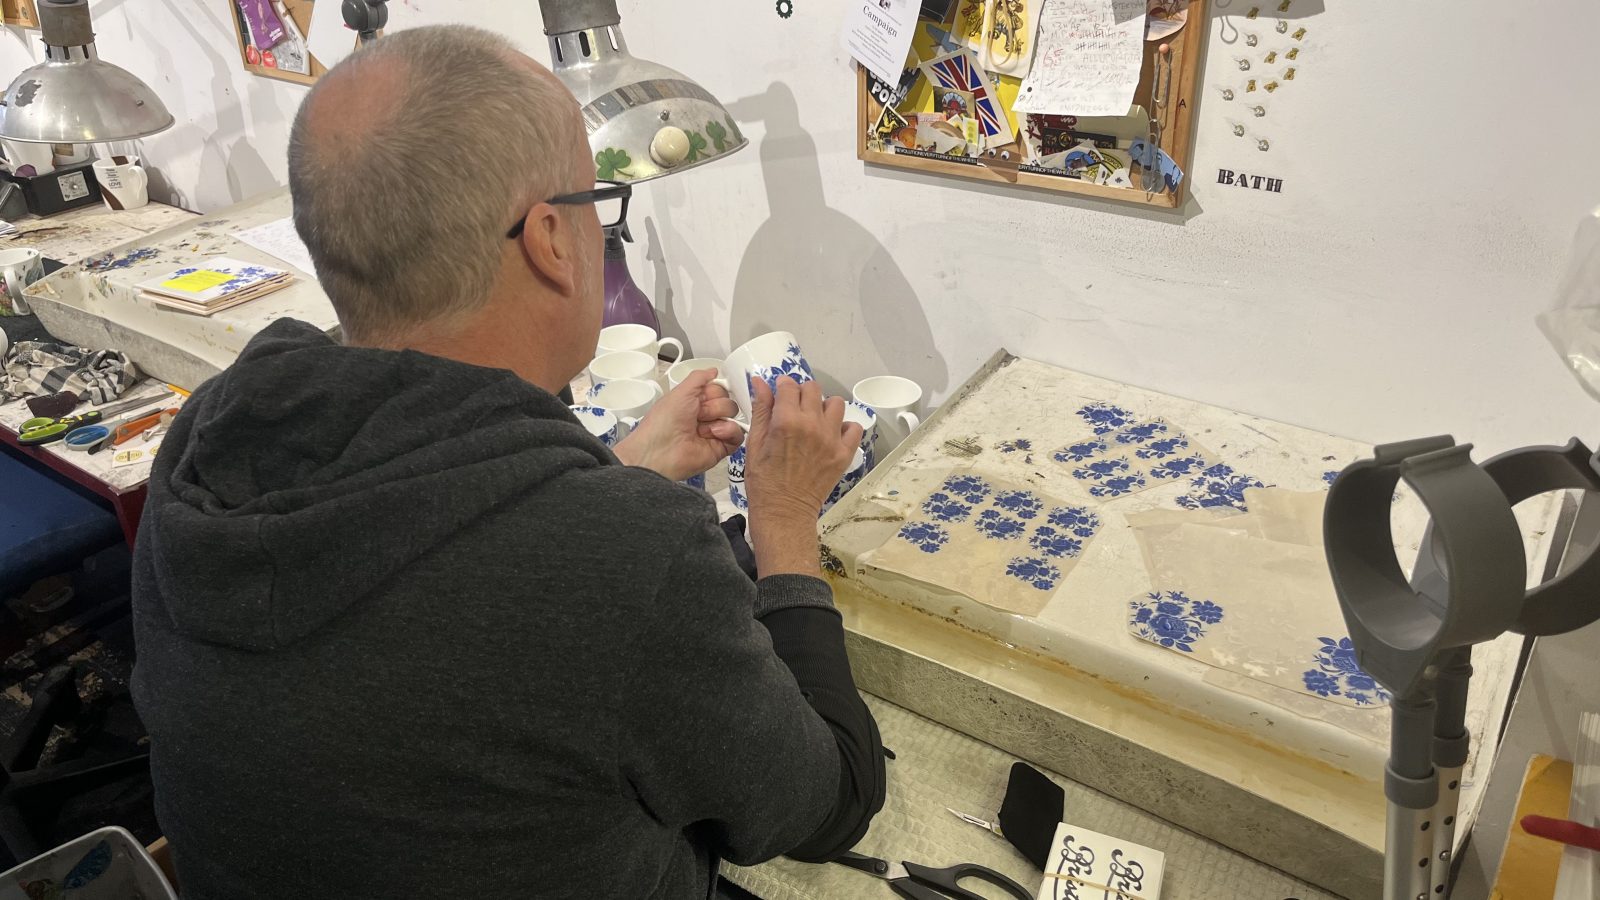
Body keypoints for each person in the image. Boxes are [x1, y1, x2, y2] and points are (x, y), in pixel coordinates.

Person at [130, 25, 885, 900]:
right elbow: (827, 801)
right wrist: (784, 516)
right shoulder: (627, 564)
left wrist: (617, 470)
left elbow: (437, 573)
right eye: (598, 197)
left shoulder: (207, 443)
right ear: (551, 239)